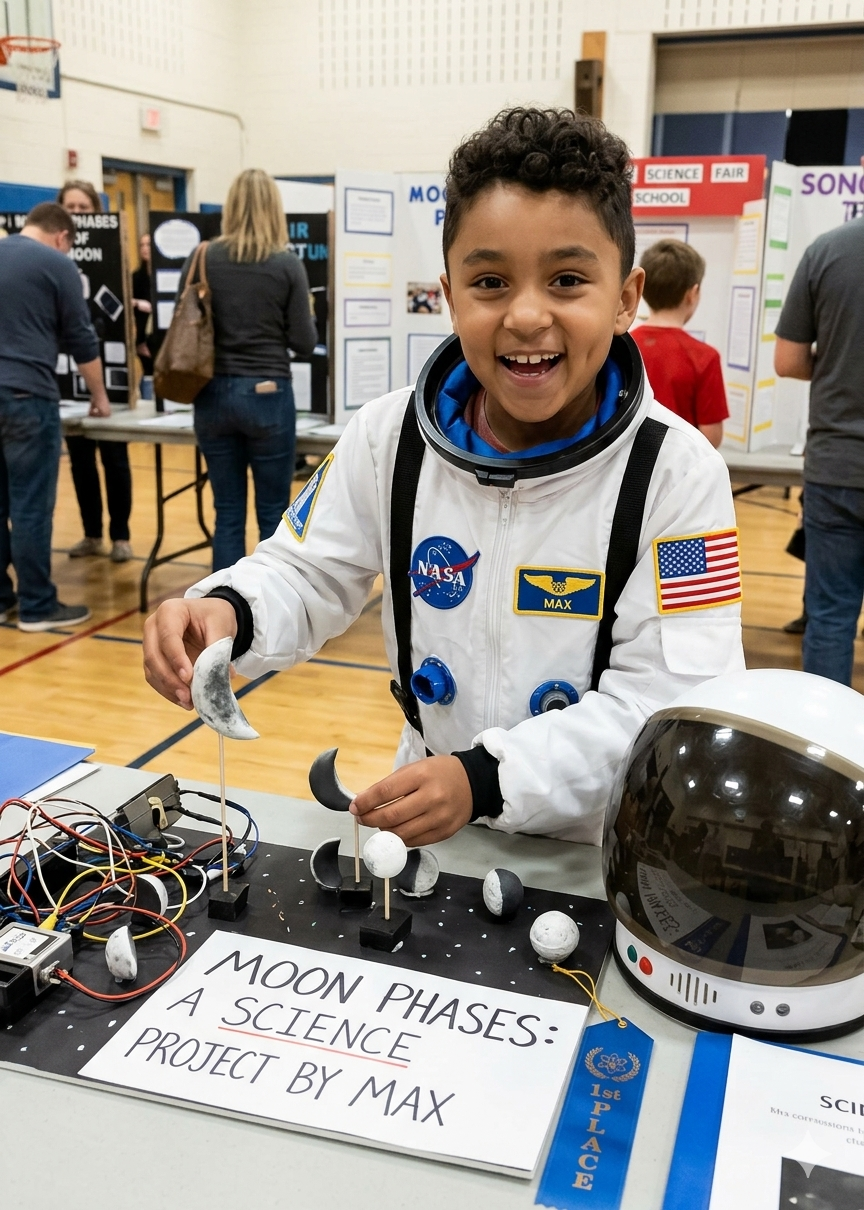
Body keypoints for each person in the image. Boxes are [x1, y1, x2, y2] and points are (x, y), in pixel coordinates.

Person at [143, 108, 744, 846]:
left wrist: (489, 778)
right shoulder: (388, 435)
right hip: (432, 821)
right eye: (490, 281)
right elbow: (306, 571)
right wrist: (229, 610)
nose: (526, 316)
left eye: (566, 279)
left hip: (602, 841)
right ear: (450, 294)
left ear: (624, 298)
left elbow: (676, 700)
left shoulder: (678, 475)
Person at [176, 168, 317, 571]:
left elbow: (183, 321)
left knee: (228, 512)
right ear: (275, 210)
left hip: (212, 395)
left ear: (230, 208)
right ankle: (269, 616)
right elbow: (305, 342)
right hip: (268, 395)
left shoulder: (202, 256)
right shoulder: (286, 264)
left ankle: (220, 609)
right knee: (273, 513)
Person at [0, 202, 107, 630]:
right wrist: (99, 396)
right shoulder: (56, 264)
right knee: (29, 505)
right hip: (27, 393)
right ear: (63, 236)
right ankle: (38, 606)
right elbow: (81, 337)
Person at [774, 210, 864, 686]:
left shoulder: (826, 252)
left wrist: (835, 366)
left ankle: (827, 748)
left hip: (836, 463)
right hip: (835, 461)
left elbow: (787, 360)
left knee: (830, 619)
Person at [56, 180, 134, 563]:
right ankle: (91, 533)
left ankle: (121, 534)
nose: (77, 213)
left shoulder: (112, 254)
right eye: (70, 207)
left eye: (84, 207)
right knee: (81, 462)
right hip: (67, 380)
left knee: (115, 460)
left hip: (110, 374)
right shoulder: (53, 257)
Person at [631, 239, 728, 448]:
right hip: (681, 470)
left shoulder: (622, 347)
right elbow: (711, 436)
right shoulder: (705, 357)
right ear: (692, 294)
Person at [131, 233, 154, 379]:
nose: (145, 249)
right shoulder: (136, 277)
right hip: (143, 335)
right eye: (142, 245)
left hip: (162, 337)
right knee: (149, 374)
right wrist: (138, 303)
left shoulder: (164, 275)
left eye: (148, 245)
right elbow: (126, 300)